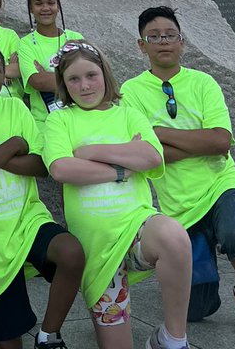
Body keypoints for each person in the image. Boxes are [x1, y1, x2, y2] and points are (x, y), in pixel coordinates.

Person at [123, 6, 235, 339]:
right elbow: (147, 154)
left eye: (170, 35)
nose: (163, 42)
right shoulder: (131, 92)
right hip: (178, 202)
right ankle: (204, 248)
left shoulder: (203, 83)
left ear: (182, 42)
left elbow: (221, 142)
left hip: (221, 183)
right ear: (141, 45)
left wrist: (159, 131)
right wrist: (194, 143)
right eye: (154, 37)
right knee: (196, 310)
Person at [43, 40, 192, 349]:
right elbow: (60, 169)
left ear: (105, 74)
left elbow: (151, 157)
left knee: (174, 237)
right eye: (74, 79)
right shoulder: (59, 120)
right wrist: (122, 167)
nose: (84, 86)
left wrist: (89, 152)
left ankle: (173, 338)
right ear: (64, 83)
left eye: (91, 75)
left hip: (137, 228)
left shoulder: (128, 113)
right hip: (96, 249)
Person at [0, 38, 83, 349]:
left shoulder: (15, 106)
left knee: (71, 253)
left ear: (5, 74)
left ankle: (48, 335)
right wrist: (14, 145)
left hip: (28, 219)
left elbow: (41, 165)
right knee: (8, 343)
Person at [17, 0, 84, 128]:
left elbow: (89, 79)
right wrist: (73, 77)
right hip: (44, 122)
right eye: (38, 3)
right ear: (31, 9)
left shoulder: (75, 37)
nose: (45, 8)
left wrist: (47, 74)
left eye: (51, 2)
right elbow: (37, 82)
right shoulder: (25, 44)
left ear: (58, 6)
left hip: (79, 117)